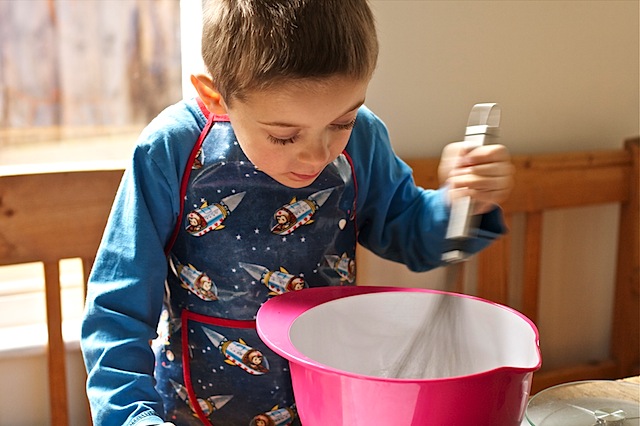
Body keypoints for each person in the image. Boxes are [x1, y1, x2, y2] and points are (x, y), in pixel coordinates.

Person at [80, 1, 514, 425]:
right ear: (215, 97)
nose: (318, 155)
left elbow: (410, 232)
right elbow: (117, 310)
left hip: (333, 405)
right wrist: (130, 417)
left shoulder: (364, 142)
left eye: (342, 122)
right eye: (285, 136)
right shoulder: (171, 151)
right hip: (192, 410)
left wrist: (461, 203)